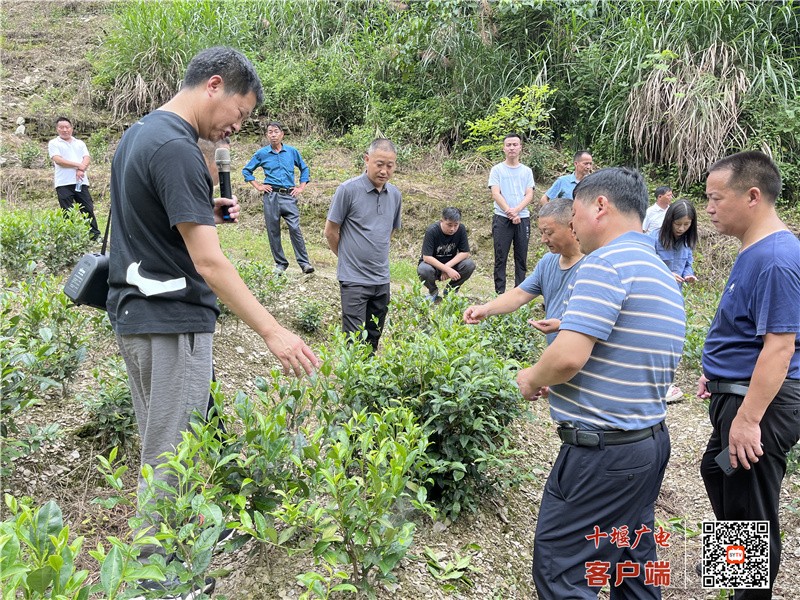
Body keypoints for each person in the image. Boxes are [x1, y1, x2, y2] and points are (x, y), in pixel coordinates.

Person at [107, 47, 319, 597]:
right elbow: (208, 261)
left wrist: (206, 210)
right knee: (170, 454)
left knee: (165, 444)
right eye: (240, 114)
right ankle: (158, 580)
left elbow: (145, 223)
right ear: (214, 85)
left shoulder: (138, 135)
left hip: (137, 315)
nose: (236, 127)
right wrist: (273, 331)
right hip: (171, 318)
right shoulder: (177, 148)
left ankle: (163, 563)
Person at [517, 168, 685, 599]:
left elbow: (569, 356)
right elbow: (632, 357)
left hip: (606, 452)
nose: (571, 226)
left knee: (562, 566)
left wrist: (532, 377)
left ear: (600, 206)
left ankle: (746, 589)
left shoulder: (605, 263)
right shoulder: (662, 273)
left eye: (573, 213)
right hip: (647, 441)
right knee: (632, 560)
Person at [697, 151, 800, 600]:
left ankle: (748, 594)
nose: (710, 208)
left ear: (752, 196)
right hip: (736, 394)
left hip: (759, 405)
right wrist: (716, 375)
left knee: (749, 509)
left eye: (716, 198)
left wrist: (748, 418)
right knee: (718, 473)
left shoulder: (777, 257)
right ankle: (736, 585)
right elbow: (746, 332)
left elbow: (780, 346)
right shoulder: (755, 251)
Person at [463, 198, 584, 346]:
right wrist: (485, 309)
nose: (543, 240)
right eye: (541, 233)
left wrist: (562, 325)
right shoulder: (547, 262)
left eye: (549, 233)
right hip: (556, 353)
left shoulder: (593, 265)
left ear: (572, 227)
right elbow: (519, 294)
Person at [324, 138, 402, 352]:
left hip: (381, 279)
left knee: (373, 337)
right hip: (354, 280)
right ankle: (352, 383)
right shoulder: (347, 190)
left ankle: (368, 383)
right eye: (379, 164)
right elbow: (330, 231)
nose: (384, 170)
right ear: (367, 160)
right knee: (354, 339)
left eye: (390, 165)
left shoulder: (395, 195)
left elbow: (389, 231)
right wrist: (348, 258)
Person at [242, 121, 314, 274]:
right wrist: (259, 186)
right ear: (267, 135)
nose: (273, 135)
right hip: (271, 196)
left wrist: (301, 187)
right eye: (270, 132)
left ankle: (304, 263)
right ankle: (281, 264)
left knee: (295, 228)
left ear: (282, 134)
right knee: (273, 230)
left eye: (276, 131)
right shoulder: (262, 153)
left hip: (289, 196)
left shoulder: (292, 152)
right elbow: (247, 171)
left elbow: (304, 168)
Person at [489, 133, 535, 294]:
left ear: (520, 147)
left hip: (522, 218)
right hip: (502, 218)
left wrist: (516, 211)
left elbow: (529, 194)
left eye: (515, 144)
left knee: (521, 257)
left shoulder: (527, 171)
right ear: (503, 148)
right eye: (508, 145)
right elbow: (495, 193)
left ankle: (519, 293)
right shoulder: (497, 170)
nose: (512, 148)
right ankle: (499, 293)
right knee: (500, 257)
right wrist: (509, 211)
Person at [47, 116, 101, 239]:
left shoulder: (80, 143)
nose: (65, 130)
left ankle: (94, 236)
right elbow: (58, 160)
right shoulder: (54, 143)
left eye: (67, 127)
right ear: (57, 129)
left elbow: (87, 157)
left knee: (88, 208)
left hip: (81, 182)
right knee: (67, 211)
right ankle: (71, 238)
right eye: (61, 127)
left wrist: (81, 169)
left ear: (71, 128)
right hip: (63, 183)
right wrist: (78, 166)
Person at [418, 207, 475, 303]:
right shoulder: (432, 231)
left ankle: (450, 290)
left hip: (451, 265)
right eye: (449, 225)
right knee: (423, 269)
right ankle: (433, 291)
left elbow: (465, 253)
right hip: (433, 266)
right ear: (442, 221)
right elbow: (427, 257)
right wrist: (445, 269)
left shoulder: (461, 229)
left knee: (469, 265)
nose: (452, 229)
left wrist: (448, 267)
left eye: (456, 225)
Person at [650, 199, 698, 288]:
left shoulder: (686, 241)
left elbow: (687, 264)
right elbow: (647, 265)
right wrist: (666, 275)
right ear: (669, 221)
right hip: (655, 290)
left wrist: (688, 275)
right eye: (677, 224)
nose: (681, 228)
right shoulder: (654, 238)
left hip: (676, 292)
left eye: (686, 224)